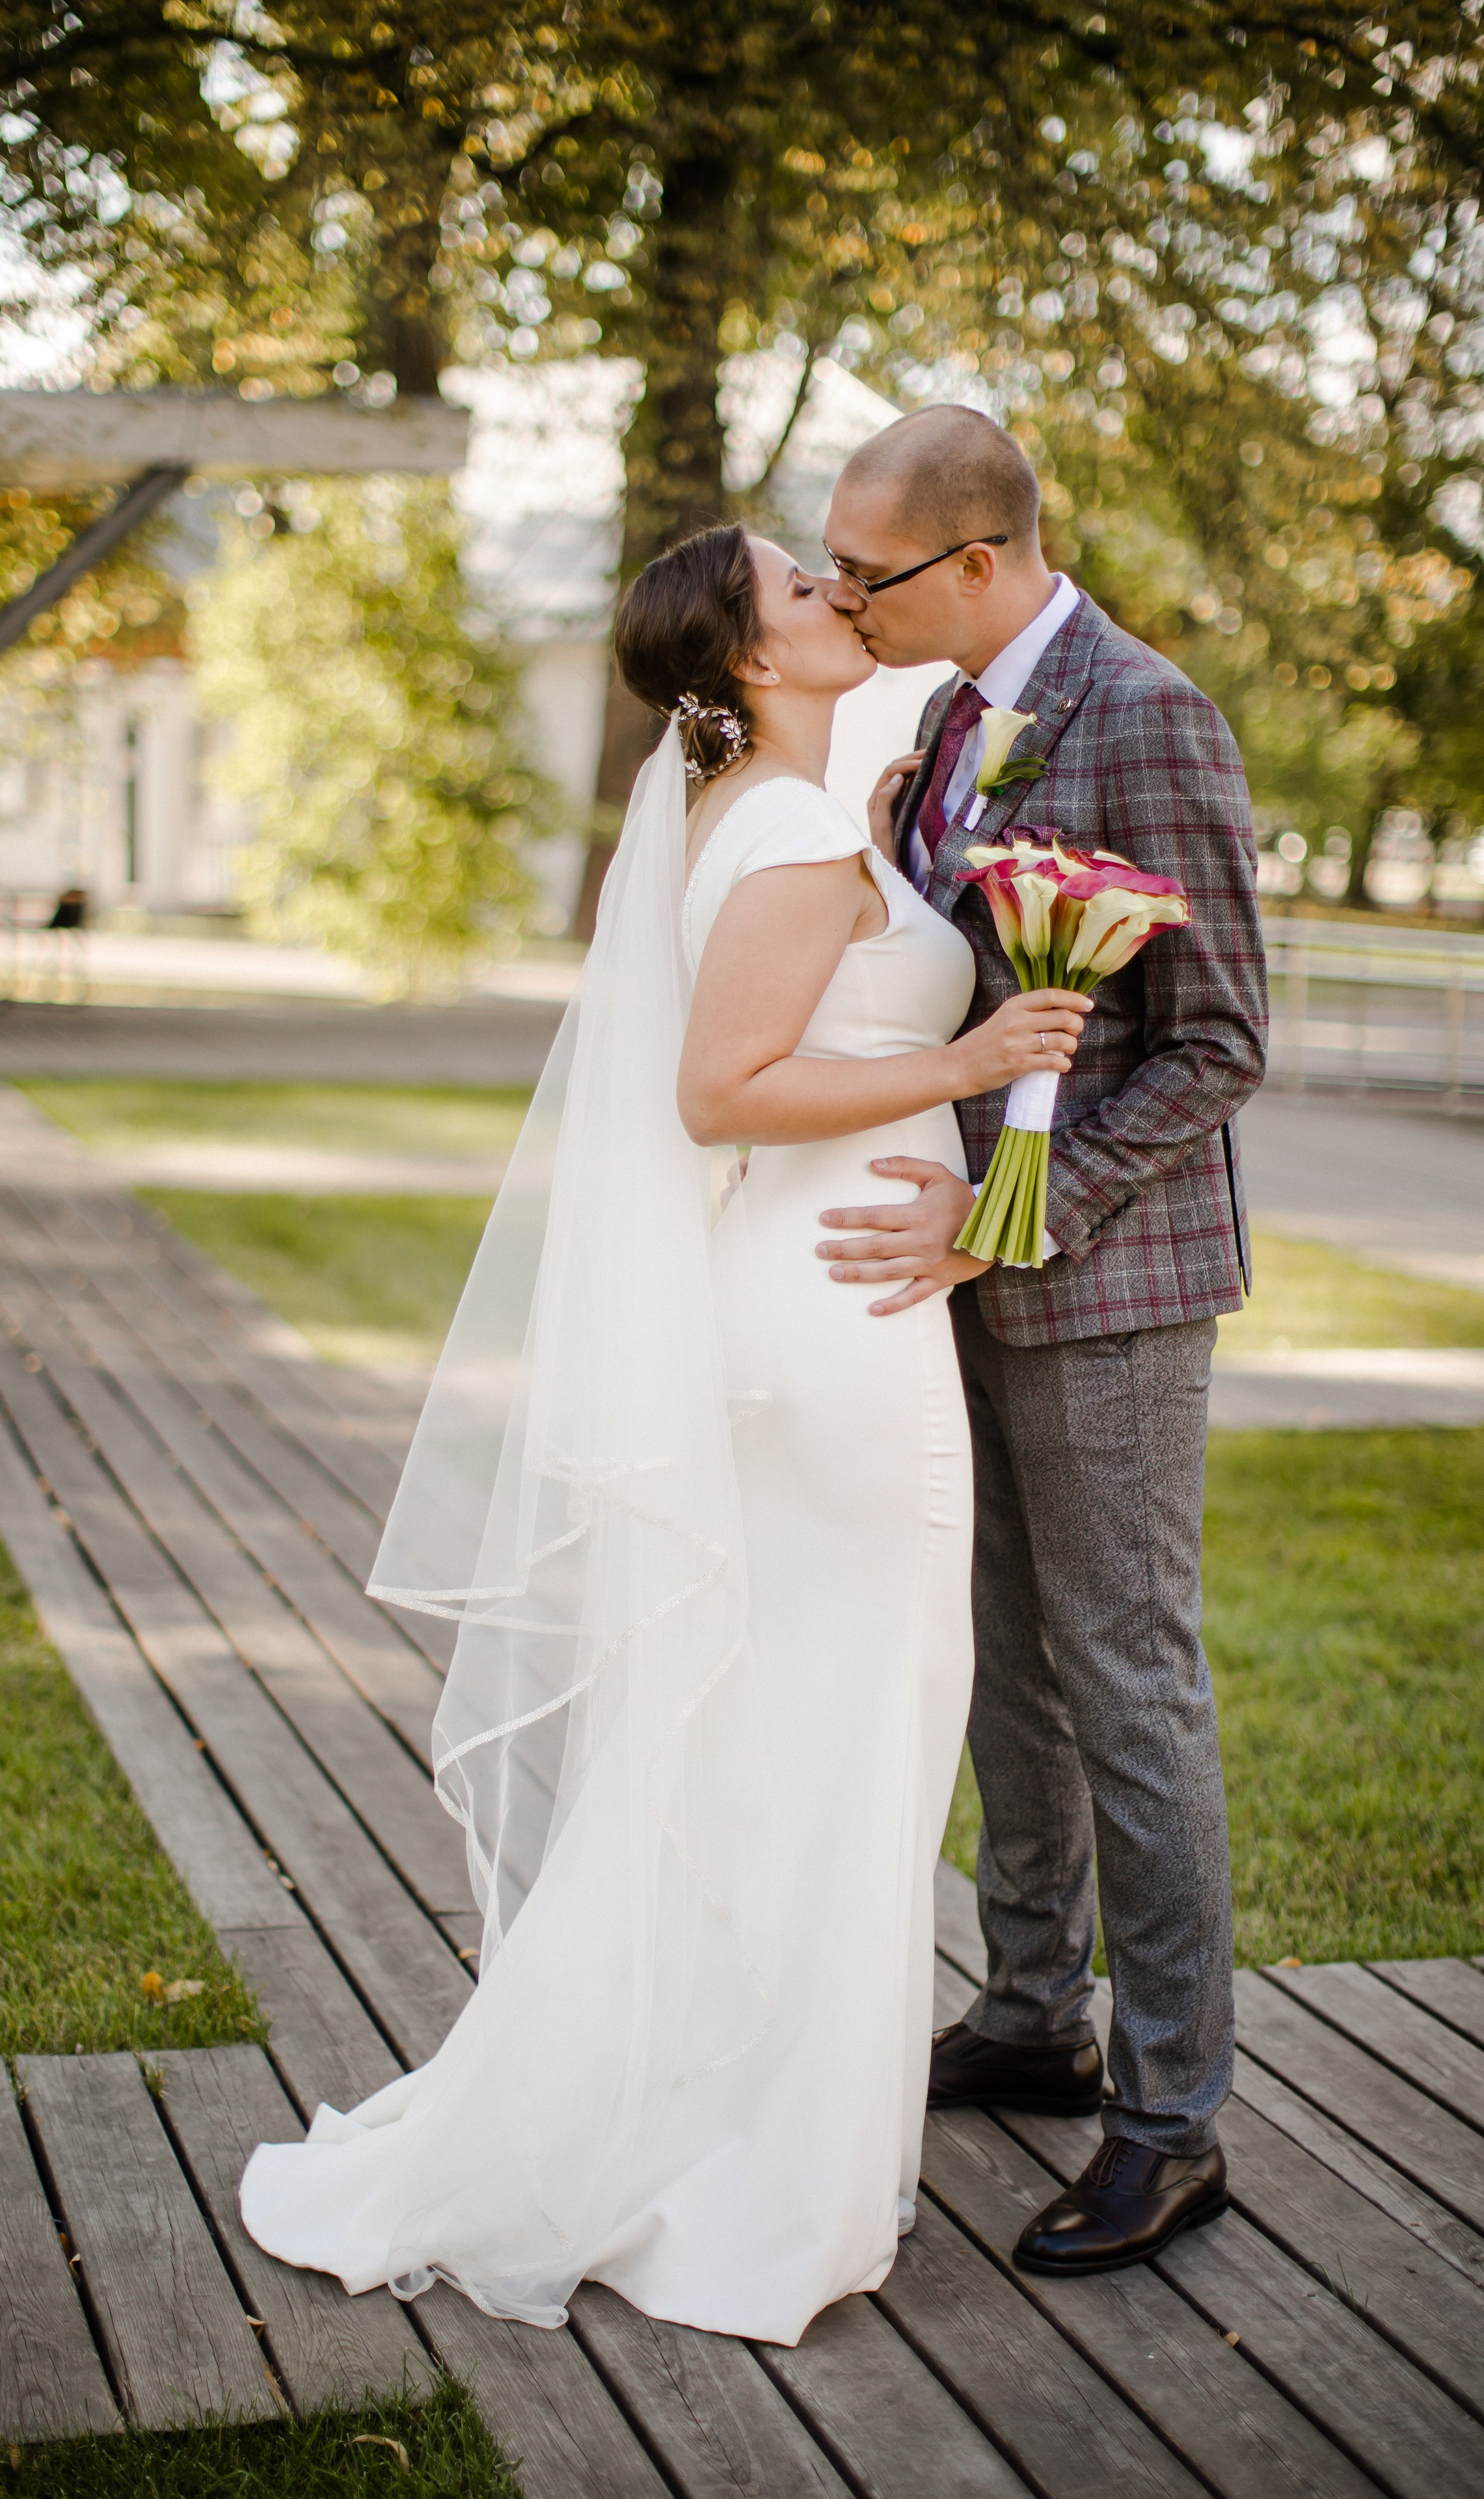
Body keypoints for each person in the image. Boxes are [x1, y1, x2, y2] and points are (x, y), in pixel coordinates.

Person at [238, 523, 1090, 2342]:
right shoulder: (780, 834)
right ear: (750, 658)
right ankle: (769, 2166)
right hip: (833, 1328)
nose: (837, 596)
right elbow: (725, 1091)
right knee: (859, 1723)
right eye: (804, 587)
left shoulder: (793, 807)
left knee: (801, 1724)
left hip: (833, 1310)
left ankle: (754, 2114)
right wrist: (971, 1060)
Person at [818, 403, 1267, 2275]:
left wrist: (1029, 1202)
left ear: (982, 559)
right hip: (958, 1282)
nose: (841, 597)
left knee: (1126, 1680)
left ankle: (1174, 2121)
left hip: (1109, 1281)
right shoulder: (937, 723)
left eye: (870, 571)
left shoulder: (1148, 712)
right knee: (1004, 1651)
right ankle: (1032, 2014)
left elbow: (1220, 1041)